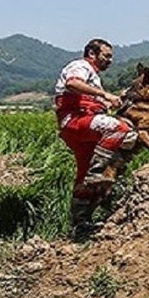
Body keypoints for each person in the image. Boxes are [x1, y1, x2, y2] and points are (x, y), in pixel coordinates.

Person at [54, 39, 138, 240]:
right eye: (106, 56)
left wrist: (113, 100)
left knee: (83, 175)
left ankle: (80, 223)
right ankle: (99, 171)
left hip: (81, 125)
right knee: (122, 129)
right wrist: (104, 94)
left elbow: (95, 102)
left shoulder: (94, 79)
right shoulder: (80, 66)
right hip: (76, 121)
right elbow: (72, 83)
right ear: (92, 54)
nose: (110, 60)